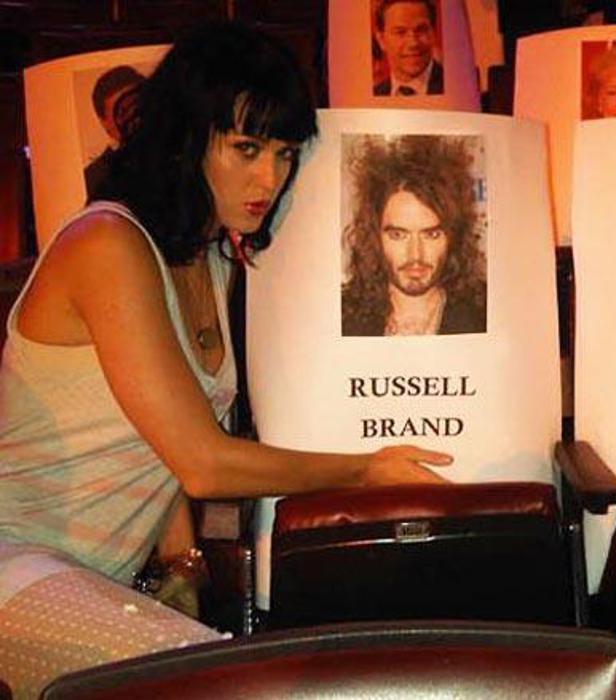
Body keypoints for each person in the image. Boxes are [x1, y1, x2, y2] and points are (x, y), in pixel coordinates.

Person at [0, 22, 450, 697]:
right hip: (12, 562)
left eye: (283, 153)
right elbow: (201, 462)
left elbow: (152, 432)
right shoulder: (106, 244)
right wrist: (365, 468)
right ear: (185, 137)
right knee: (239, 684)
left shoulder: (211, 256)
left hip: (91, 578)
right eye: (245, 148)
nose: (269, 177)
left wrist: (180, 560)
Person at [342, 135, 486, 336]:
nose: (415, 254)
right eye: (398, 235)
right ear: (375, 236)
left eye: (431, 234)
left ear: (453, 236)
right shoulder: (342, 317)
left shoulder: (483, 315)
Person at [83, 65, 145, 197]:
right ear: (105, 123)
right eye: (123, 112)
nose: (136, 118)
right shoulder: (93, 179)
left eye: (138, 106)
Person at [373, 0, 444, 96]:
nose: (413, 43)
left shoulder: (455, 87)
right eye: (400, 32)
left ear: (433, 34)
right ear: (381, 40)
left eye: (421, 30)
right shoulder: (375, 94)